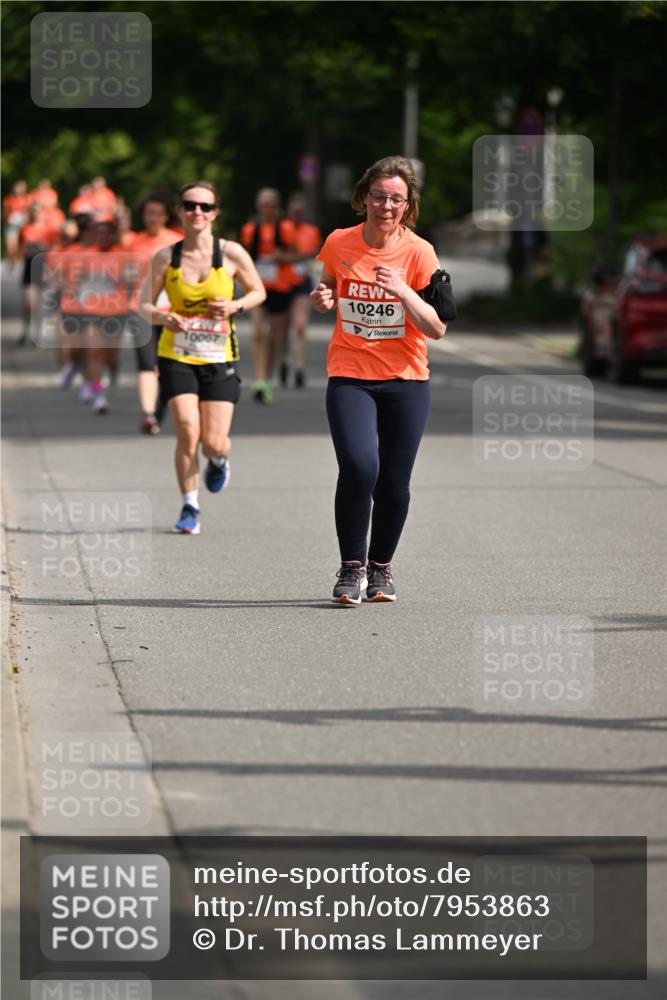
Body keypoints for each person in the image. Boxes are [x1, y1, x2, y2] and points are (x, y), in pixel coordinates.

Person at [311, 156, 446, 605]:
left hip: (406, 378)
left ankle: (381, 569)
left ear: (407, 206)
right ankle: (352, 567)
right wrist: (323, 295)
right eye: (379, 197)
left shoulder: (419, 252)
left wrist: (403, 290)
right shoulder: (339, 241)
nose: (386, 206)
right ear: (363, 197)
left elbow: (437, 327)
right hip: (350, 373)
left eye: (396, 200)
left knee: (394, 481)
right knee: (359, 466)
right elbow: (328, 282)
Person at [141, 181, 266, 534]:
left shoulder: (231, 254)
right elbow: (142, 305)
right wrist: (163, 315)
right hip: (176, 354)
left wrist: (235, 305)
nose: (197, 212)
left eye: (205, 207)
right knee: (186, 430)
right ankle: (190, 507)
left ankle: (219, 458)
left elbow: (259, 291)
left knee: (212, 441)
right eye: (190, 205)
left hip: (218, 355)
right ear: (179, 211)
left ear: (215, 213)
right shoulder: (166, 257)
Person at [124, 193, 182, 434]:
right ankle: (148, 414)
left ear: (166, 216)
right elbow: (123, 275)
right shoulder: (133, 242)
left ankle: (159, 409)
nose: (153, 218)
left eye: (158, 213)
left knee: (168, 365)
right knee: (147, 362)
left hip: (173, 310)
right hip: (141, 307)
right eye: (149, 213)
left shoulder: (178, 240)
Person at [240, 188, 300, 404]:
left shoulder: (285, 228)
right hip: (258, 287)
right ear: (258, 207)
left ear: (277, 207)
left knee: (275, 337)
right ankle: (259, 379)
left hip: (281, 287)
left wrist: (282, 256)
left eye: (271, 204)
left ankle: (268, 377)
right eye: (263, 204)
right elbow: (245, 257)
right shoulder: (250, 229)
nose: (267, 208)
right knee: (258, 333)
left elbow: (297, 254)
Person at [282, 192, 322, 388]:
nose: (297, 214)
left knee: (299, 326)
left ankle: (298, 367)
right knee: (282, 328)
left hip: (302, 281)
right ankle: (283, 361)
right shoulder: (281, 229)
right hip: (281, 282)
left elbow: (316, 254)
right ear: (289, 211)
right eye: (294, 211)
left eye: (300, 211)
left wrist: (306, 257)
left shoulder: (312, 231)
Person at [3, 179, 30, 264]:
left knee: (21, 249)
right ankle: (9, 266)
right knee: (11, 248)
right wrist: (9, 218)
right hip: (11, 225)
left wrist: (25, 218)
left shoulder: (27, 198)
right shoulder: (8, 199)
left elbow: (30, 213)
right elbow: (4, 213)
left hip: (23, 227)